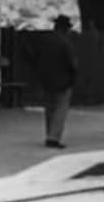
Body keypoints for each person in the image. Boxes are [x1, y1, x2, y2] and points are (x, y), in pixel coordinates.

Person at [28, 14, 78, 149]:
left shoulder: (44, 40)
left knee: (49, 108)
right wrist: (74, 75)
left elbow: (34, 57)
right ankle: (54, 137)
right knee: (60, 110)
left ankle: (49, 134)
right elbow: (72, 63)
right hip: (63, 80)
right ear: (65, 28)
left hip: (46, 79)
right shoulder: (65, 42)